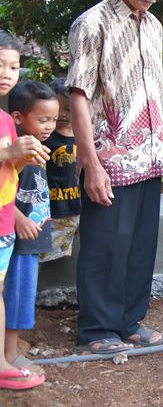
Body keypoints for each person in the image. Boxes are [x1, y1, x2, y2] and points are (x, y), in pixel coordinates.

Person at [67, 0, 163, 354]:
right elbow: (79, 94)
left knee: (140, 244)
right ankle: (96, 330)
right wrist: (89, 163)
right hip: (108, 157)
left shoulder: (155, 26)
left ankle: (129, 320)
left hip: (150, 155)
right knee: (106, 243)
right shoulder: (91, 23)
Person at [0, 31, 48, 390]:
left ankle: (4, 360)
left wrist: (17, 162)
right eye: (0, 64)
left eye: (13, 66)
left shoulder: (4, 121)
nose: (7, 72)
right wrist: (9, 154)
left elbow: (7, 176)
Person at [4, 81, 58, 377]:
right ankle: (9, 354)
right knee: (15, 294)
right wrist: (17, 218)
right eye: (43, 119)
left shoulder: (38, 145)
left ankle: (10, 348)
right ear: (17, 117)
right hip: (17, 235)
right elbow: (4, 188)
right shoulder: (13, 148)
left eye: (53, 119)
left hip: (32, 233)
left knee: (22, 294)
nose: (49, 126)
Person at [39, 78, 80, 262]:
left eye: (68, 109)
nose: (62, 114)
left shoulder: (83, 138)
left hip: (76, 209)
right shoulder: (44, 138)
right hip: (50, 211)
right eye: (58, 109)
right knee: (38, 254)